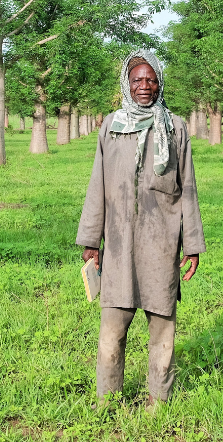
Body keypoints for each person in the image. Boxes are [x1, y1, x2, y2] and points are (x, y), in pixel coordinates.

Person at [76, 49, 206, 410]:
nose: (144, 86)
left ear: (160, 83)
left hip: (162, 244)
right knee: (112, 330)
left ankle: (158, 399)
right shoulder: (112, 126)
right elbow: (97, 185)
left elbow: (188, 188)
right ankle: (107, 400)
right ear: (126, 84)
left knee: (162, 329)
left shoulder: (175, 128)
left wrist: (191, 244)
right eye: (137, 80)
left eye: (151, 80)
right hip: (117, 245)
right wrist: (91, 240)